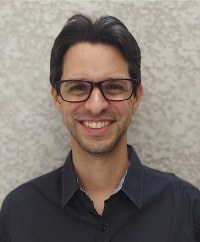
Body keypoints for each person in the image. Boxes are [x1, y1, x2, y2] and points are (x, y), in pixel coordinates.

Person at [0, 14, 199, 242]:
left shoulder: (187, 209)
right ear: (57, 98)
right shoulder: (18, 213)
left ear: (135, 98)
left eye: (113, 86)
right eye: (77, 87)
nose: (96, 106)